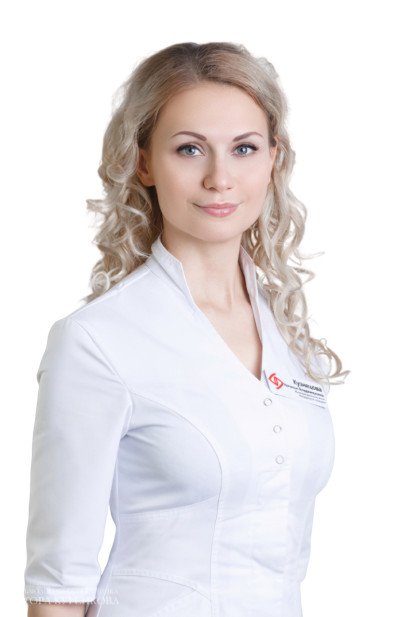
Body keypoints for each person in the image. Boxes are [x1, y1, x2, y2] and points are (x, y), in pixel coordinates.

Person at [24, 41, 349, 617]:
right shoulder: (97, 340)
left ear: (273, 158)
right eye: (190, 149)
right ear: (144, 163)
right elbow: (58, 584)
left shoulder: (289, 336)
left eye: (244, 148)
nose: (220, 178)